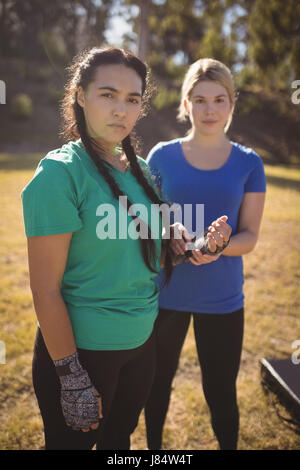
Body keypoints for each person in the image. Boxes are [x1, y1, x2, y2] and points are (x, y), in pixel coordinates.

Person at [21, 48, 231, 451]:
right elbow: (44, 291)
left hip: (140, 345)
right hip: (83, 354)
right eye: (107, 95)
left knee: (119, 446)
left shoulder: (140, 170)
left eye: (132, 100)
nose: (121, 110)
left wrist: (198, 246)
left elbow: (152, 255)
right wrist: (72, 377)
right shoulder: (60, 173)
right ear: (80, 96)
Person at [144, 58, 266, 450]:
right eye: (199, 100)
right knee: (155, 385)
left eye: (219, 99)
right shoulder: (161, 157)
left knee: (220, 391)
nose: (209, 109)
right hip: (166, 295)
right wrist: (170, 236)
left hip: (223, 300)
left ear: (232, 104)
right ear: (185, 104)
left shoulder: (249, 163)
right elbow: (147, 223)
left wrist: (217, 247)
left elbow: (249, 236)